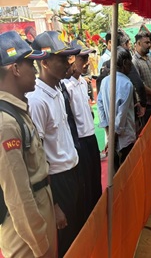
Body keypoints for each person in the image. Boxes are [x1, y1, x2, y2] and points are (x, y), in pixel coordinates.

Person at [0, 31, 57, 257]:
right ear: (14, 69)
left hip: (39, 215)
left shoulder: (18, 111)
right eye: (30, 65)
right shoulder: (5, 123)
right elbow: (18, 197)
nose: (35, 71)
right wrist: (40, 245)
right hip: (27, 239)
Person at [27, 31, 82, 257]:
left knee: (78, 234)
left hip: (72, 172)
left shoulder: (58, 89)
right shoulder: (37, 101)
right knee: (66, 242)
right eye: (62, 59)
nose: (67, 64)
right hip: (58, 181)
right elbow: (37, 157)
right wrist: (55, 204)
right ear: (45, 62)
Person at [64, 40, 102, 218]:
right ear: (71, 59)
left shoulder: (82, 83)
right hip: (79, 141)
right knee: (85, 182)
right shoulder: (66, 86)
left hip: (91, 136)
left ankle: (99, 211)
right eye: (83, 58)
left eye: (87, 57)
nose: (87, 62)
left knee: (95, 178)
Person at [97, 47, 136, 171]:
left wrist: (108, 132)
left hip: (113, 136)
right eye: (130, 62)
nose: (131, 65)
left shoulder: (105, 81)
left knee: (115, 173)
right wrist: (113, 137)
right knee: (127, 172)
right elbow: (121, 116)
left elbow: (100, 105)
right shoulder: (126, 84)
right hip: (125, 139)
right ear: (125, 63)